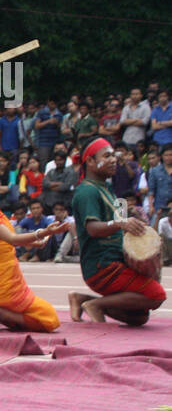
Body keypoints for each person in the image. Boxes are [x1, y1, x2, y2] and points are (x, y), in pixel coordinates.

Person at [67, 139, 166, 325]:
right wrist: (121, 223)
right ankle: (95, 305)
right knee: (156, 295)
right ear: (90, 161)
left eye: (113, 155)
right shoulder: (87, 192)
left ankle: (82, 299)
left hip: (117, 261)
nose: (113, 160)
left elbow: (120, 226)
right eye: (107, 156)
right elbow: (93, 229)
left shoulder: (107, 190)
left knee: (139, 317)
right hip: (102, 266)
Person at [0, 158, 62, 332]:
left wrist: (35, 243)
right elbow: (12, 240)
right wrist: (44, 232)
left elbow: (4, 239)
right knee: (49, 318)